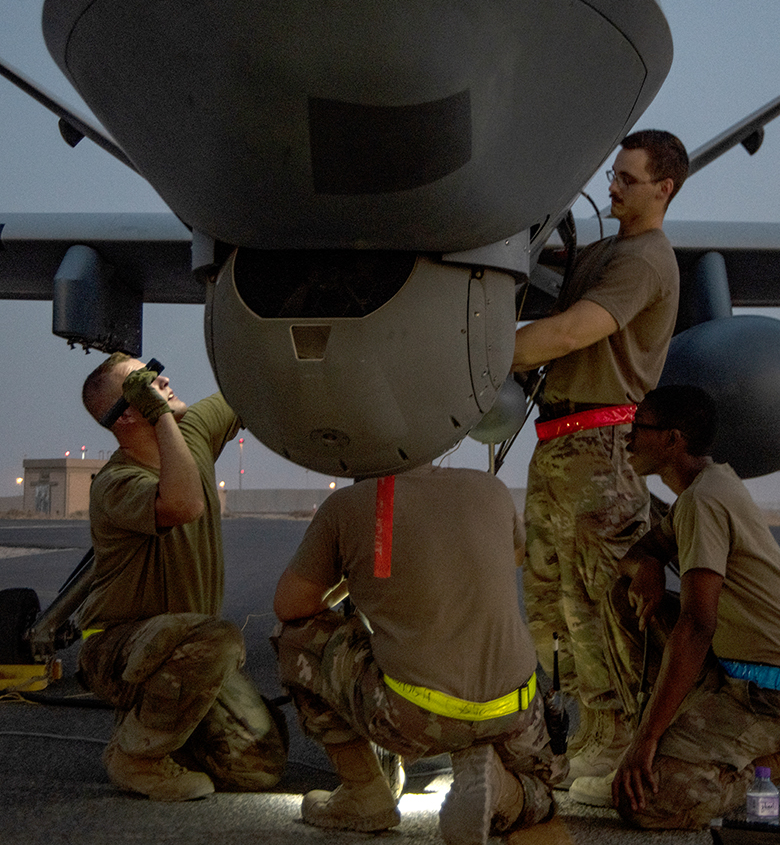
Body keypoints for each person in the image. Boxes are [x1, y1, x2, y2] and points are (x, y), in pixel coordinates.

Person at [511, 130, 688, 785]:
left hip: (600, 447)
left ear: (663, 188)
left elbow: (569, 332)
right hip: (558, 446)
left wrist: (471, 354)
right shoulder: (607, 252)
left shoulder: (644, 260)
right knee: (549, 604)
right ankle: (573, 734)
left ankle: (614, 740)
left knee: (598, 606)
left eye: (628, 179)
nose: (611, 186)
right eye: (613, 174)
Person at [272, 463, 567, 845]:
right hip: (514, 710)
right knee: (545, 794)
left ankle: (364, 792)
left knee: (295, 638)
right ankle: (502, 788)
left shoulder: (347, 506)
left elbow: (290, 605)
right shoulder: (490, 488)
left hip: (411, 716)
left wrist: (353, 578)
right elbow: (513, 555)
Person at [77, 352, 287, 801]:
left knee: (260, 769)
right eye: (146, 383)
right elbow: (182, 504)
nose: (164, 380)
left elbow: (247, 387)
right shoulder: (116, 483)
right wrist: (163, 419)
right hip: (118, 647)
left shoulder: (191, 432)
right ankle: (138, 757)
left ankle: (164, 725)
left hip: (186, 649)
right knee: (218, 638)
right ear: (130, 412)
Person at [569, 385, 780, 828]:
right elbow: (635, 556)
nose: (628, 439)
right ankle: (663, 742)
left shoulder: (704, 501)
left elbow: (697, 624)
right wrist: (647, 564)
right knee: (621, 600)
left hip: (767, 693)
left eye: (638, 428)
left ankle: (769, 768)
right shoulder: (703, 488)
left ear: (672, 439)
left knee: (643, 803)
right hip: (731, 671)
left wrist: (647, 738)